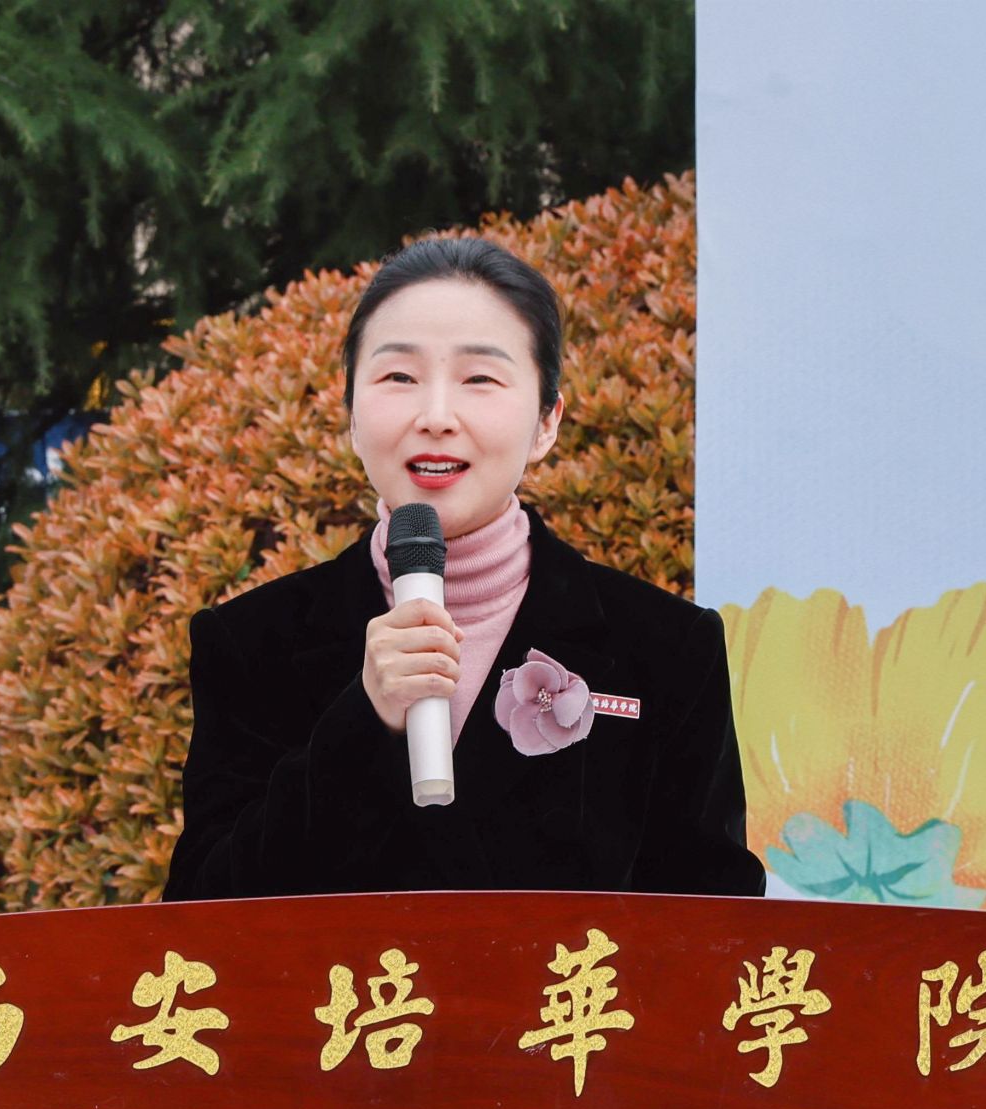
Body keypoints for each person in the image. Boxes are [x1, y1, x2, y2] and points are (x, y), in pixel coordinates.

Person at [164, 237, 764, 900]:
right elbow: (203, 913)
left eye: (480, 378)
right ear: (352, 416)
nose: (436, 417)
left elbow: (717, 922)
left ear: (546, 421)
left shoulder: (667, 648)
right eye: (399, 377)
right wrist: (363, 720)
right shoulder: (251, 643)